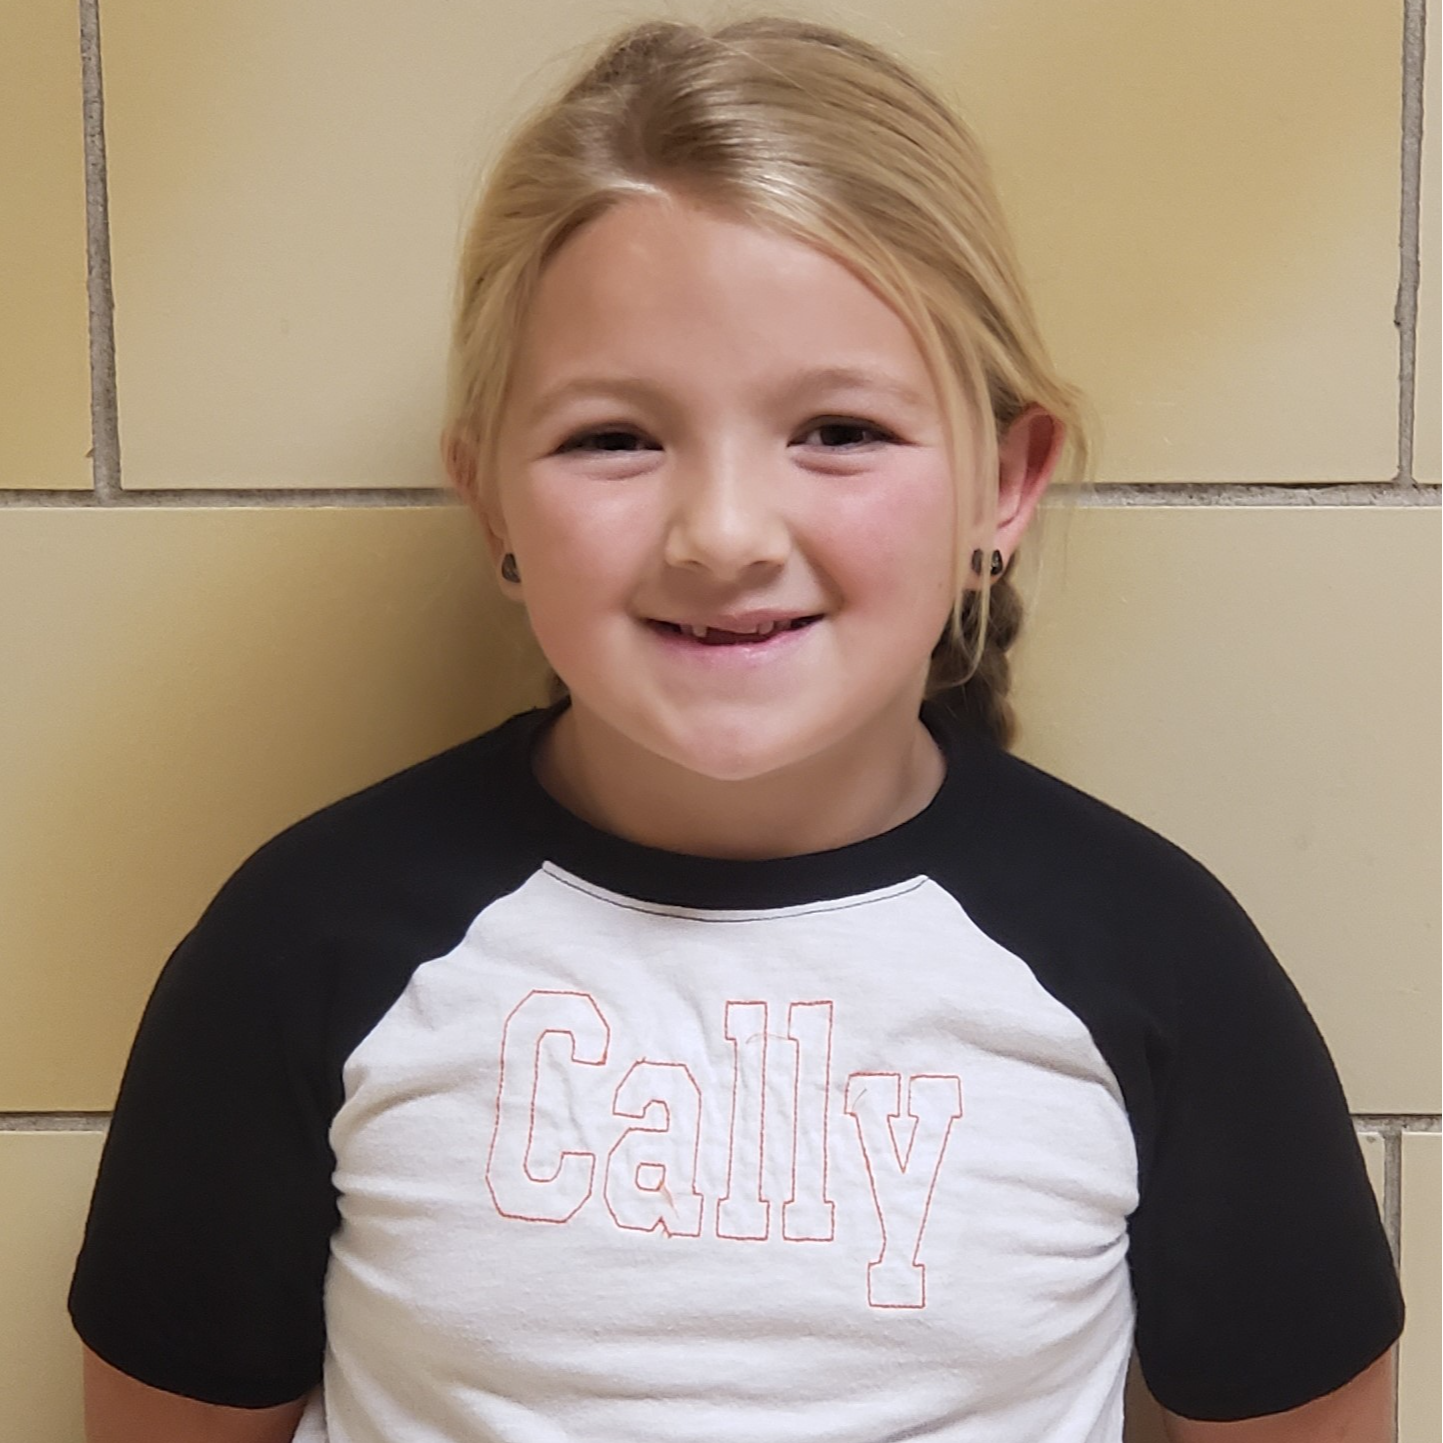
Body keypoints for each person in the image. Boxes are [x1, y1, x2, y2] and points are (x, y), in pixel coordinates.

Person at [69, 13, 1403, 1443]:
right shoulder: (303, 943)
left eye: (835, 428)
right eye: (613, 438)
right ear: (492, 498)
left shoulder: (1157, 963)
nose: (720, 533)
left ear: (1001, 482)